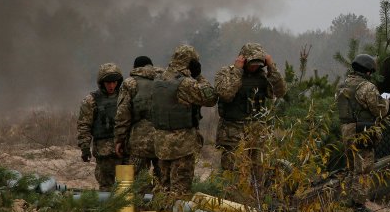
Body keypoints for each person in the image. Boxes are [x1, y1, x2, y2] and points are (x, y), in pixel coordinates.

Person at [214, 42, 287, 175]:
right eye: (252, 63)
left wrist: (271, 67)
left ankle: (255, 196)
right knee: (233, 174)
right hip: (232, 132)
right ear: (243, 59)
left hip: (256, 132)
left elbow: (280, 91)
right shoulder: (226, 73)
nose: (254, 67)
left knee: (257, 172)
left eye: (258, 64)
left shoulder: (263, 76)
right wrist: (237, 70)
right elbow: (226, 94)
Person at [152, 45, 216, 194]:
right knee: (180, 191)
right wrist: (199, 76)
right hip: (181, 145)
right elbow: (210, 98)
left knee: (162, 189)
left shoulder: (158, 79)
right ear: (191, 62)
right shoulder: (185, 83)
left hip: (161, 144)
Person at [335, 54, 389, 212]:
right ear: (368, 71)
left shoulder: (342, 85)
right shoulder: (367, 87)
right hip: (362, 131)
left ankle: (349, 200)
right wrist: (385, 99)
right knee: (363, 169)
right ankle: (359, 207)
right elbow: (380, 110)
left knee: (352, 167)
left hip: (347, 130)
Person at [114, 56, 163, 184]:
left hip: (139, 141)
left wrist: (119, 139)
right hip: (164, 140)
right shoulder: (165, 80)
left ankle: (140, 203)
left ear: (135, 68)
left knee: (136, 183)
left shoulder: (130, 83)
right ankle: (162, 204)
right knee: (163, 182)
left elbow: (122, 114)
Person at [77, 63, 125, 191]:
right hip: (104, 153)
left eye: (114, 82)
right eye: (108, 82)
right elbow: (84, 125)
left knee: (126, 188)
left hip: (124, 150)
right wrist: (85, 147)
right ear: (101, 82)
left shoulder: (125, 97)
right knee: (106, 188)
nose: (111, 86)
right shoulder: (91, 100)